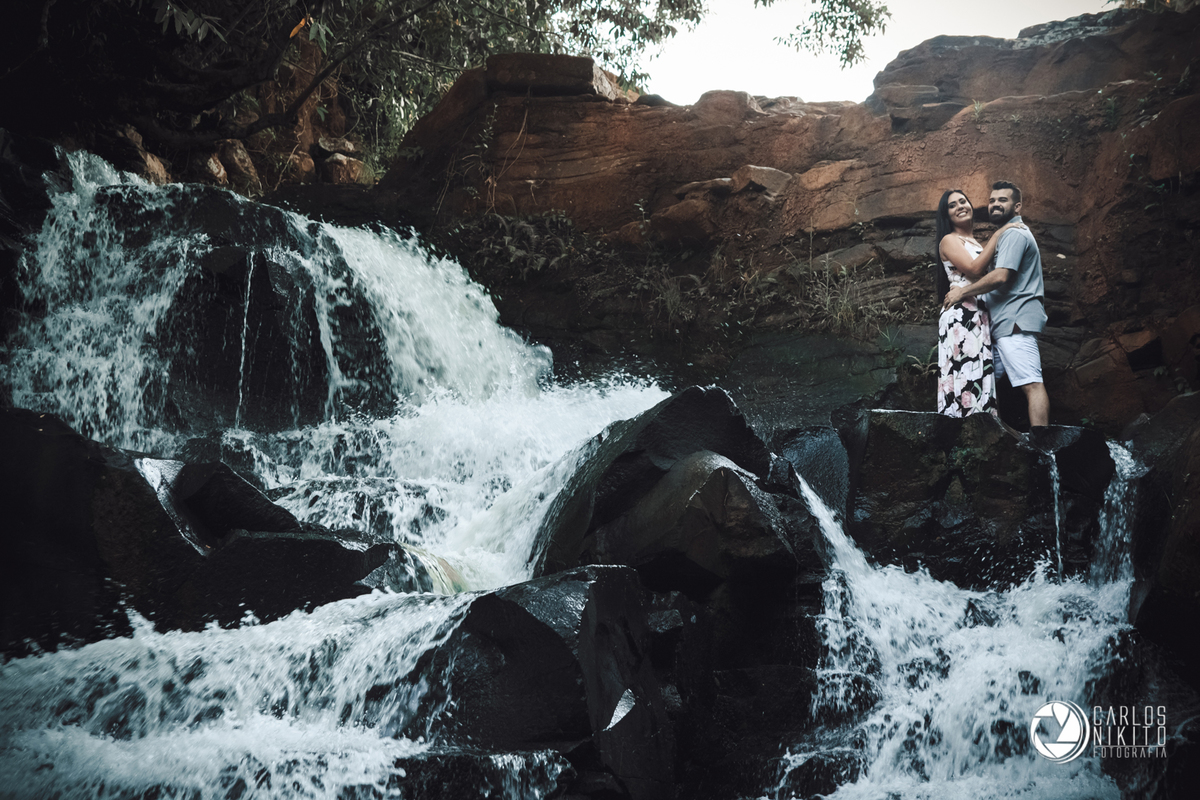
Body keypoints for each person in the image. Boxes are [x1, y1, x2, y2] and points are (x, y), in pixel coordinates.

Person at [942, 181, 1050, 427]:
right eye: (992, 201)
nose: (995, 205)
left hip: (1014, 322)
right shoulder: (1000, 235)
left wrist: (963, 291)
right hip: (995, 327)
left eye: (1003, 200)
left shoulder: (1013, 233)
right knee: (983, 385)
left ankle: (1044, 449)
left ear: (1017, 206)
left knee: (1031, 383)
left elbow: (1000, 276)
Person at [934, 188, 1023, 418]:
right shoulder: (949, 240)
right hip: (961, 316)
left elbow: (992, 279)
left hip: (979, 315)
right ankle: (960, 431)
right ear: (947, 215)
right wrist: (1000, 233)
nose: (960, 206)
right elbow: (974, 269)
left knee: (979, 375)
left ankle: (979, 431)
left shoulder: (975, 243)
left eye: (963, 201)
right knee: (965, 375)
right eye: (952, 205)